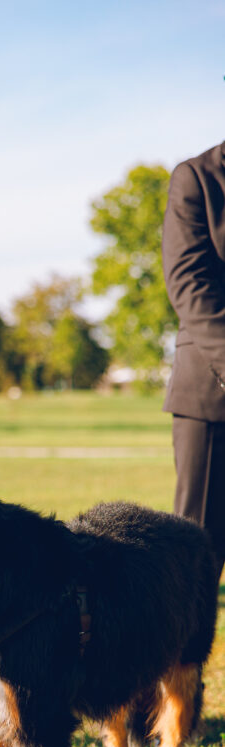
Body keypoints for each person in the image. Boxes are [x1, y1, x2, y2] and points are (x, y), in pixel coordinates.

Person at [162, 140, 225, 580]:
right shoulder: (196, 178)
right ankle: (182, 653)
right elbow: (189, 285)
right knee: (197, 559)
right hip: (211, 400)